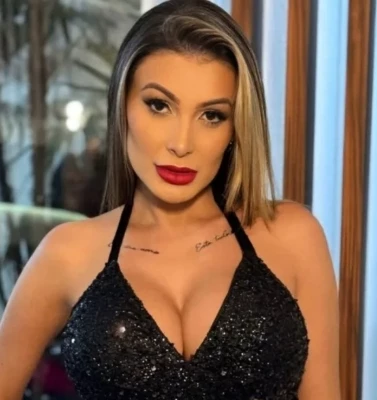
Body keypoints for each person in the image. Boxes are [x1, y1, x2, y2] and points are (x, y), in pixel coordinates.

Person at [0, 0, 340, 399]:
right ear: (122, 106)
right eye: (159, 106)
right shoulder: (68, 253)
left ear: (235, 129)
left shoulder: (292, 237)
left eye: (211, 115)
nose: (181, 144)